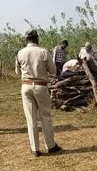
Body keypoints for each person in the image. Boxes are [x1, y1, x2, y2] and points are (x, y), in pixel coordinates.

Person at [15, 29, 62, 157]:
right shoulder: (43, 52)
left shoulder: (20, 53)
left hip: (26, 86)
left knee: (31, 119)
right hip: (41, 86)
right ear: (37, 39)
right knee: (45, 117)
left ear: (26, 39)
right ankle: (51, 146)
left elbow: (17, 72)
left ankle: (35, 148)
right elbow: (53, 71)